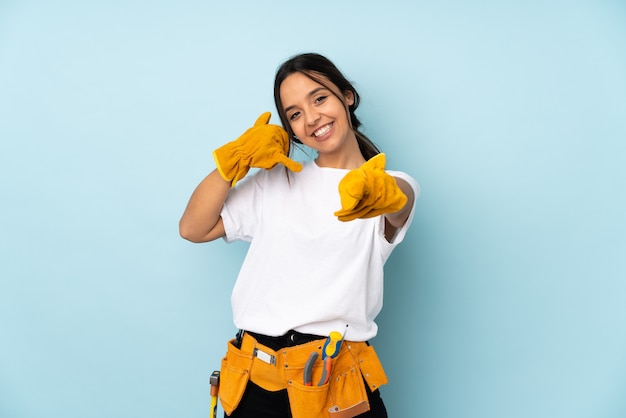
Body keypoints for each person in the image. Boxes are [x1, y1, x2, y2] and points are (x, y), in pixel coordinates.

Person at [179, 53, 420, 418]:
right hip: (253, 380)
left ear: (347, 97)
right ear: (290, 128)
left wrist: (384, 195)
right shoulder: (275, 181)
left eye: (319, 98)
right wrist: (234, 161)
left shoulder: (389, 184)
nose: (312, 118)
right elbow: (192, 228)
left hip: (335, 381)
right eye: (294, 113)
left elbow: (398, 203)